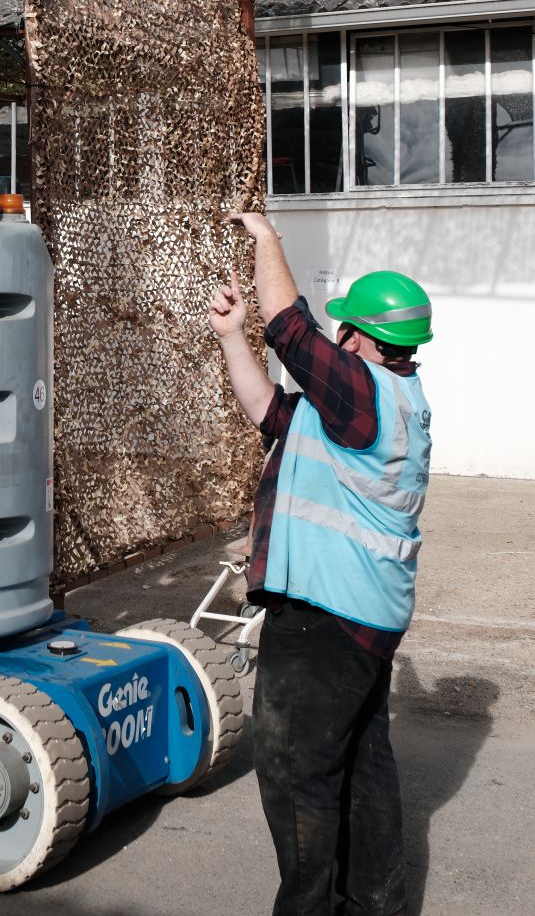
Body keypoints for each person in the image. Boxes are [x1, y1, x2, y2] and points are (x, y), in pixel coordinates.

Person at [208, 212, 433, 916]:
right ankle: (376, 904)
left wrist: (266, 240)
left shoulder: (364, 394)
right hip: (362, 614)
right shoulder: (375, 404)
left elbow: (289, 326)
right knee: (362, 765)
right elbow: (270, 411)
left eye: (344, 327)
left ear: (361, 337)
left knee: (295, 771)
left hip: (324, 617)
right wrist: (231, 337)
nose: (335, 336)